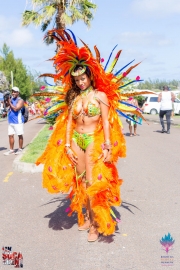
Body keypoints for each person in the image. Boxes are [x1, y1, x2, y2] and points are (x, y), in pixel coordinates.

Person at [36, 29, 144, 242]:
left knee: (94, 183)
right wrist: (67, 145)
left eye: (83, 78)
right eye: (77, 80)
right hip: (76, 140)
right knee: (81, 181)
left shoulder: (100, 96)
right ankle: (85, 215)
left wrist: (108, 146)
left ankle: (95, 225)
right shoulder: (75, 99)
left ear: (89, 76)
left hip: (94, 140)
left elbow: (105, 122)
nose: (80, 82)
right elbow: (69, 123)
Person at [4, 86, 24, 155]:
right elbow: (7, 106)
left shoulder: (20, 100)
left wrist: (9, 102)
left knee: (19, 135)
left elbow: (16, 109)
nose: (13, 93)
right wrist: (6, 100)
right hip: (10, 121)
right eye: (12, 92)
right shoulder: (11, 99)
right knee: (10, 135)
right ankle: (11, 150)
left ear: (18, 93)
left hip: (18, 121)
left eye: (15, 92)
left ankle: (20, 149)